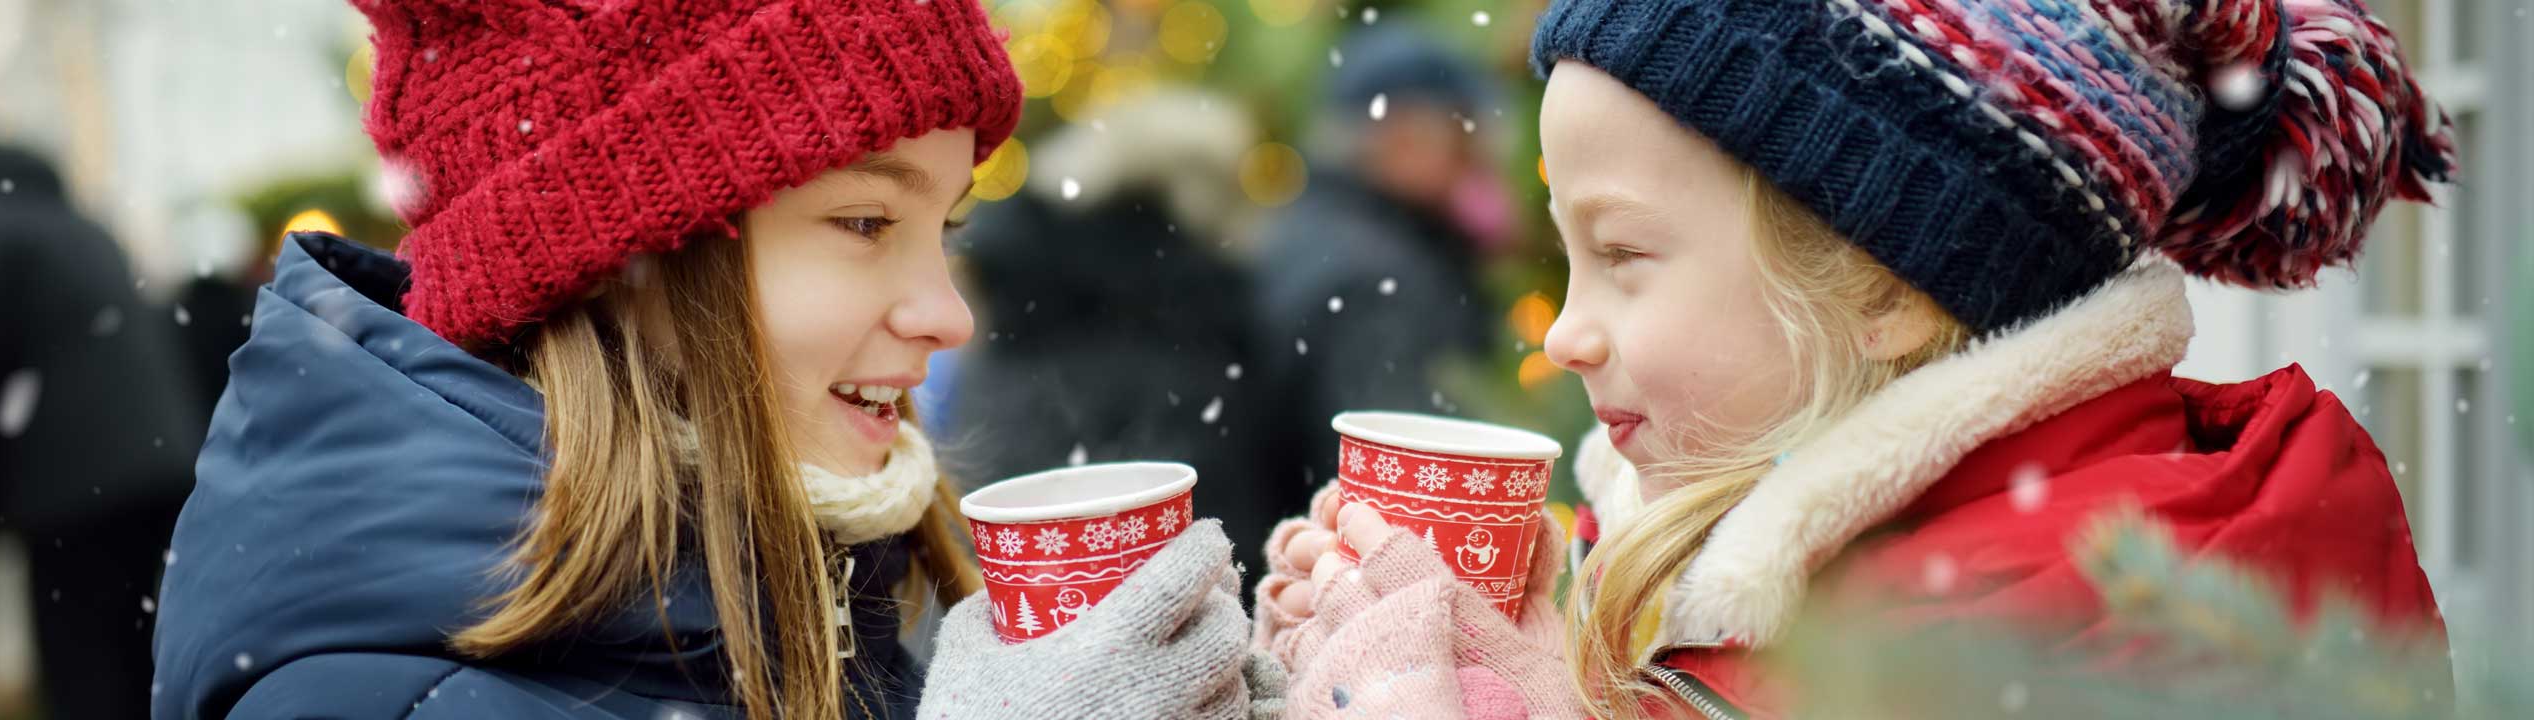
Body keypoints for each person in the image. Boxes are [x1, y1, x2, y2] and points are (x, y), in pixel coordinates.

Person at [1255, 0, 2457, 717]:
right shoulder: (1783, 565)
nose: (1566, 331)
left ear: (1884, 287)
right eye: (1565, 245)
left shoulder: (2084, 636)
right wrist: (1515, 670)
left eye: (1622, 252)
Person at [149, 1, 1253, 718]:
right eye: (867, 222)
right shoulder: (378, 700)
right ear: (615, 260)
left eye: (946, 230)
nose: (945, 315)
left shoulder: (777, 579)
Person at [941, 92, 1299, 596]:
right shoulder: (1184, 314)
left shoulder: (1023, 286)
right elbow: (1206, 514)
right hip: (1151, 623)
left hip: (1000, 600)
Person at [0, 135, 201, 720]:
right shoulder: (82, 227)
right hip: (162, 461)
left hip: (71, 487)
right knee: (145, 647)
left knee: (82, 666)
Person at [1255, 22, 1507, 484]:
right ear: (1401, 138)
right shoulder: (1376, 279)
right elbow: (1398, 474)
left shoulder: (1315, 230)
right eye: (1463, 138)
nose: (1479, 161)